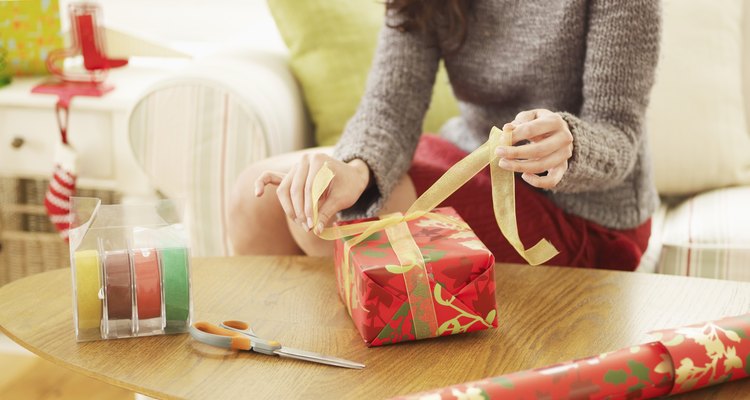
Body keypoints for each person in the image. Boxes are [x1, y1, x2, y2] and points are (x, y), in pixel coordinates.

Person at [228, 0, 661, 271]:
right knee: (261, 198)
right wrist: (354, 169)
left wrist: (571, 146)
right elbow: (389, 107)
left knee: (338, 223)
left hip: (584, 210)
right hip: (469, 158)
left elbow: (618, 135)